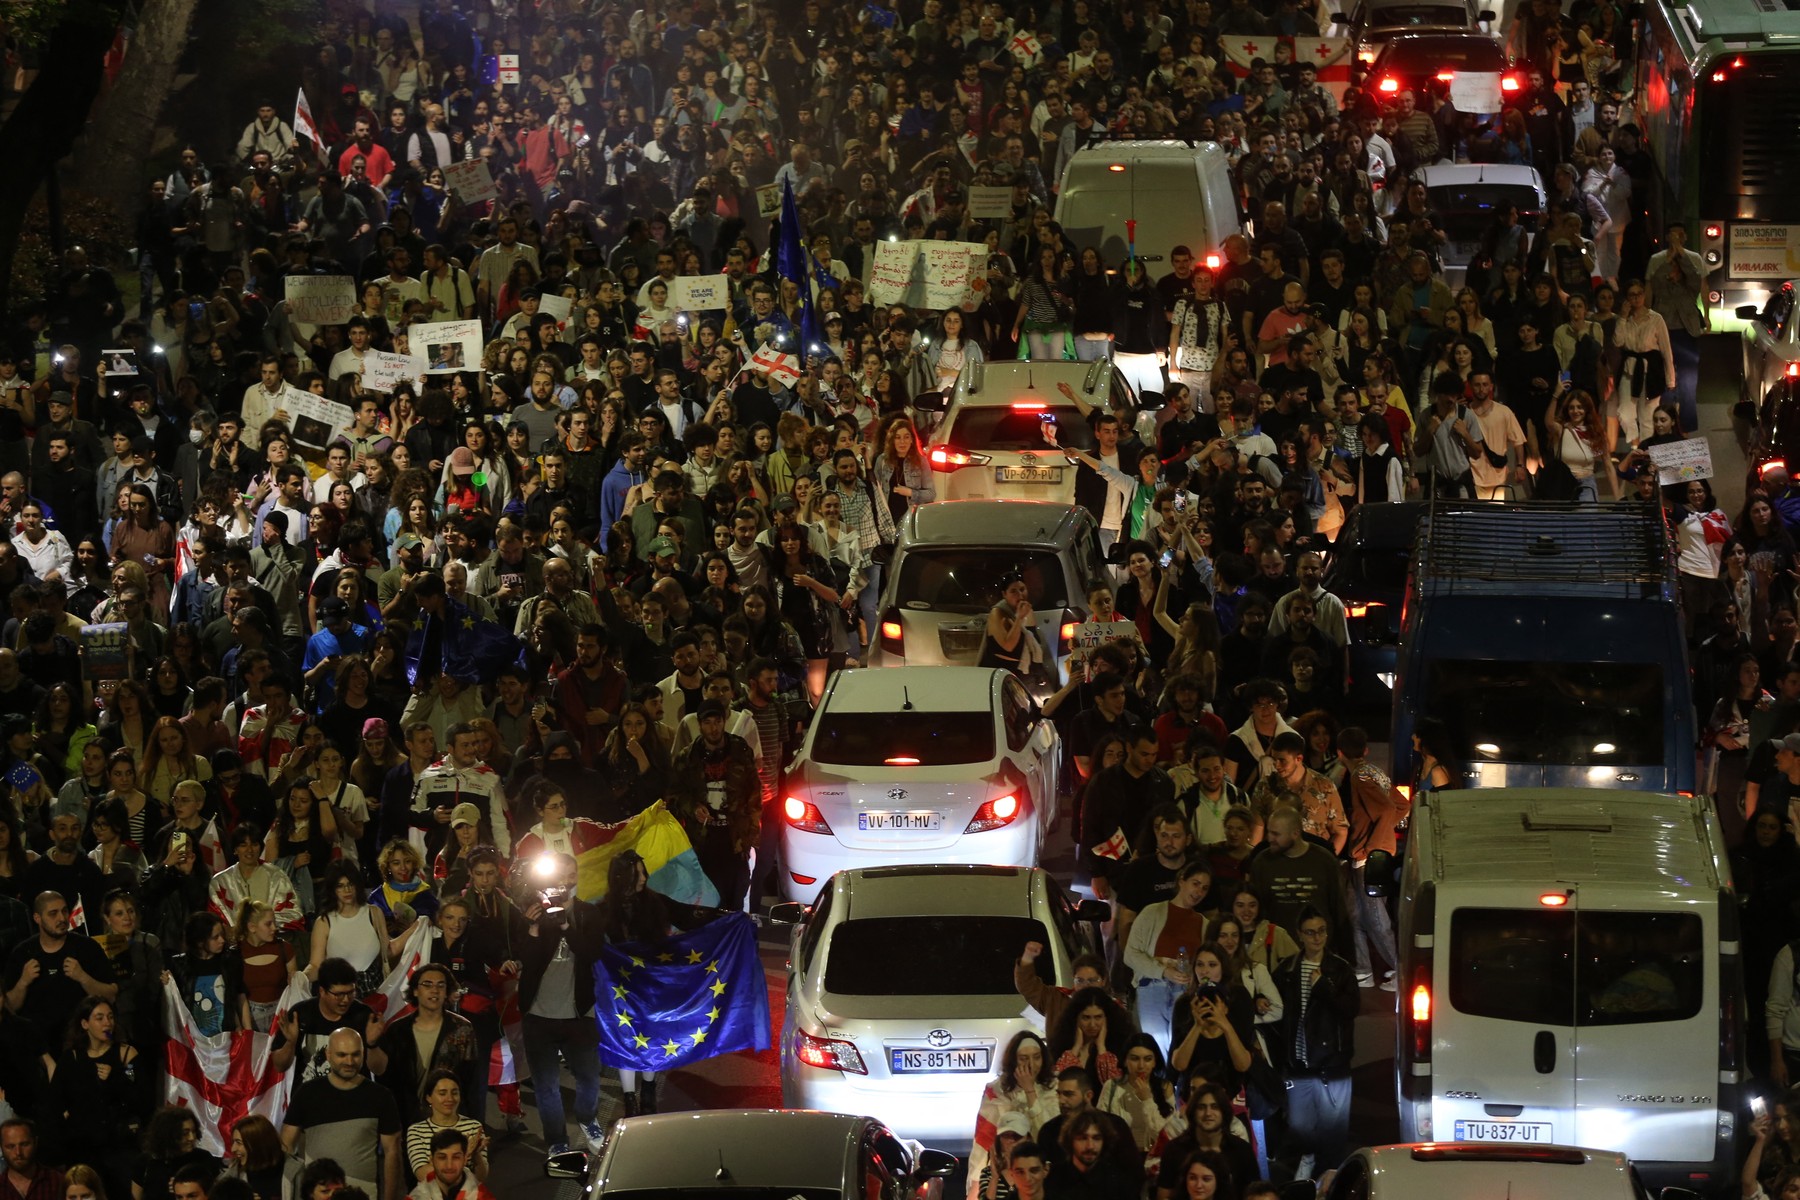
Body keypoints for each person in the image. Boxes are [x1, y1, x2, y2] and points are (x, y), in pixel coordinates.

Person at [515, 851, 606, 1157]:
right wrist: (532, 928)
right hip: (538, 1015)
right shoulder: (533, 912)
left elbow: (592, 954)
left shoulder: (589, 914)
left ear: (575, 877)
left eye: (569, 874)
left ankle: (587, 1119)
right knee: (546, 1085)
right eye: (557, 875)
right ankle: (557, 1140)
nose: (563, 881)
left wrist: (567, 926)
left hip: (578, 1014)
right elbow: (525, 961)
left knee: (589, 1077)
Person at [1273, 906, 1358, 1181]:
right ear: (1299, 935)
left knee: (1333, 1133)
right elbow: (1278, 1012)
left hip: (1331, 1065)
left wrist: (1323, 986)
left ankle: (1330, 1183)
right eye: (1310, 932)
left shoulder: (1340, 968)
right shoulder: (1287, 969)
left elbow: (1350, 1008)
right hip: (1298, 1064)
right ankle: (1307, 1181)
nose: (1317, 938)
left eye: (1321, 931)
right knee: (1300, 1129)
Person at [279, 1029, 402, 1200]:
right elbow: (285, 1148)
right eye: (342, 1055)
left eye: (355, 1055)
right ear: (328, 1055)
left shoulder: (381, 1096)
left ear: (363, 1053)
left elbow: (392, 1153)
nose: (349, 1061)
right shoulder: (307, 1093)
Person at [1121, 861, 1211, 1053]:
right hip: (1153, 986)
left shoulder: (1203, 923)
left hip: (1185, 990)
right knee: (1155, 1047)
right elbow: (1130, 955)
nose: (1199, 892)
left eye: (1204, 888)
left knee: (1182, 1045)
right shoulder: (1152, 912)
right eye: (1195, 883)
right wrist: (1163, 971)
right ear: (1182, 881)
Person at [377, 964, 477, 1127]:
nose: (434, 990)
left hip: (448, 1121)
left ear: (447, 992)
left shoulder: (462, 1029)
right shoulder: (397, 1030)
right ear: (415, 991)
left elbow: (471, 1083)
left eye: (440, 985)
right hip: (406, 1119)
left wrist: (472, 1126)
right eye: (427, 984)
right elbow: (387, 1081)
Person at [402, 1070, 488, 1185]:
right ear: (429, 1098)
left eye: (454, 1093)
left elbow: (481, 1176)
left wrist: (476, 1155)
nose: (450, 1098)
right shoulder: (416, 1131)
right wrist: (465, 1156)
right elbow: (423, 1175)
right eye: (442, 1093)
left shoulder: (474, 1127)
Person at [404, 1130, 494, 1200]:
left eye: (456, 1157)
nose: (449, 1166)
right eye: (442, 1157)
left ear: (465, 1159)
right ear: (431, 1160)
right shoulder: (415, 1197)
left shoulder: (482, 1197)